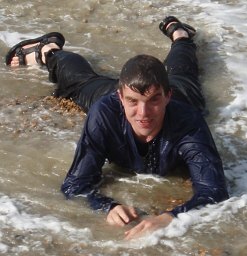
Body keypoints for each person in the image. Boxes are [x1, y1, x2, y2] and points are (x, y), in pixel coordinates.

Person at [6, 16, 229, 239]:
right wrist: (106, 206)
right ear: (120, 96)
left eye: (153, 100)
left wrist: (170, 217)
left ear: (166, 96)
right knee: (78, 82)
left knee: (183, 69)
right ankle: (50, 49)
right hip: (114, 97)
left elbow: (214, 191)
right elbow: (74, 185)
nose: (143, 114)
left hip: (183, 95)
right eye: (133, 101)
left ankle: (180, 35)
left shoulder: (187, 122)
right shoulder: (105, 114)